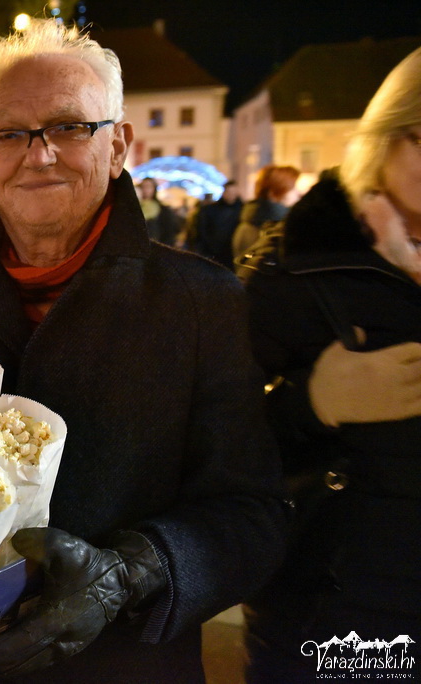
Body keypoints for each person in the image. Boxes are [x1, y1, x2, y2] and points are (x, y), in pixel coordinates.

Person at [0, 20, 287, 682]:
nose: (39, 155)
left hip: (125, 664)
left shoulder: (200, 302)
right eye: (10, 133)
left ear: (120, 144)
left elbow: (254, 514)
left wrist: (132, 574)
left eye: (69, 127)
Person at [237, 46, 421, 683]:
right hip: (336, 621)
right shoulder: (299, 264)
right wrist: (312, 402)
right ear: (387, 137)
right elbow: (214, 430)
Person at [231, 164, 300, 260]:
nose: (298, 192)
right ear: (274, 192)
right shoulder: (275, 227)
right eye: (292, 188)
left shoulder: (250, 219)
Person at [189, 180, 243, 269]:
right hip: (213, 254)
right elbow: (202, 232)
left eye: (233, 192)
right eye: (229, 192)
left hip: (232, 254)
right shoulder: (210, 210)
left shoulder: (242, 210)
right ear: (224, 192)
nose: (231, 195)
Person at [136, 176, 180, 245]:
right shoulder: (135, 208)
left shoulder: (163, 210)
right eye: (143, 187)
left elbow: (169, 231)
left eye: (148, 187)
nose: (145, 190)